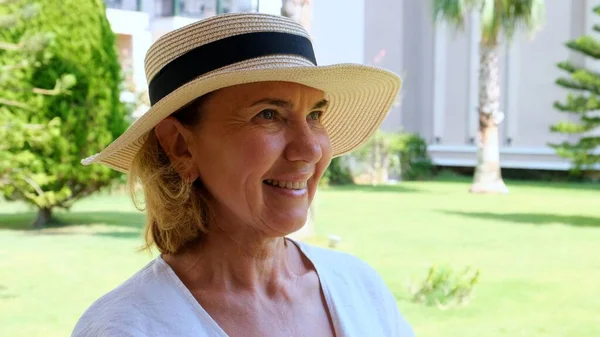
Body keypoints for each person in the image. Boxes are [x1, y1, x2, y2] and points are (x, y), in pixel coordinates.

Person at [72, 12, 413, 337]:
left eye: (315, 114)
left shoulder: (360, 288)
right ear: (180, 146)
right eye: (268, 115)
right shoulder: (128, 327)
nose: (310, 150)